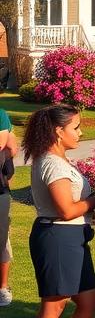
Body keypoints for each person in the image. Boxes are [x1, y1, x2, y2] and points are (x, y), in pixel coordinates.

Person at [23, 105, 95, 318]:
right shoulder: (53, 164)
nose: (80, 133)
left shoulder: (59, 161)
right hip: (58, 236)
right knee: (55, 304)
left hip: (72, 236)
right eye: (76, 128)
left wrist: (86, 211)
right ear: (59, 131)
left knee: (89, 299)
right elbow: (66, 210)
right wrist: (93, 201)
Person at [0, 104, 18, 306]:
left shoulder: (1, 115)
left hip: (1, 189)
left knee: (2, 240)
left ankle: (2, 287)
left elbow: (9, 146)